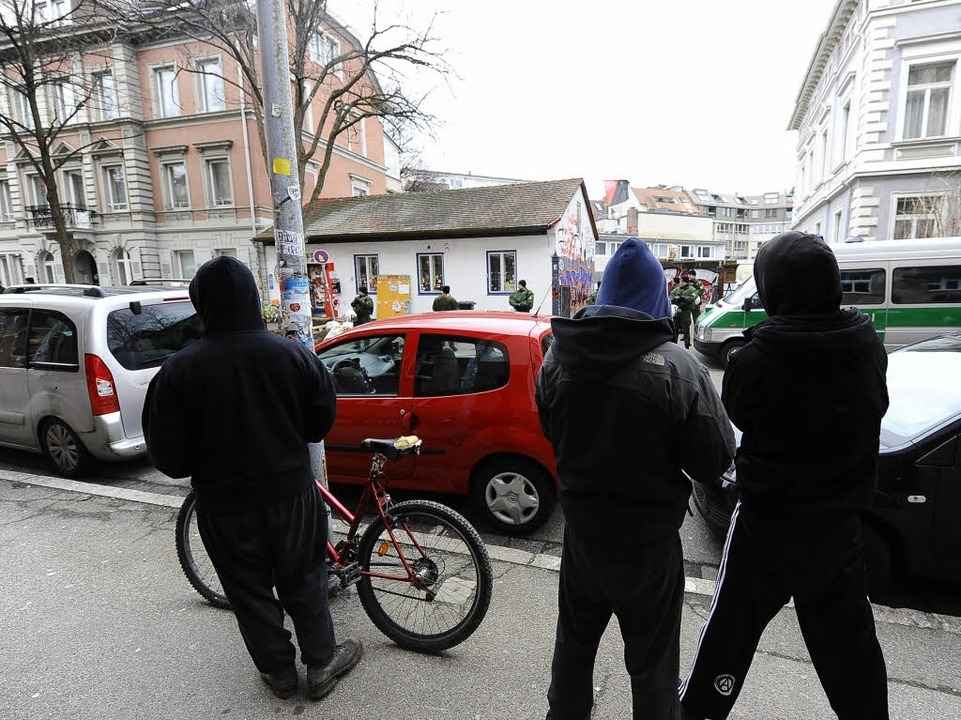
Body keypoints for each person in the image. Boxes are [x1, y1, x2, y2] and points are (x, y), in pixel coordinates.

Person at [680, 232, 890, 720]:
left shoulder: (753, 359)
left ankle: (700, 712)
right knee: (850, 645)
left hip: (766, 524)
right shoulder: (866, 346)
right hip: (837, 524)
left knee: (730, 631)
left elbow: (739, 413)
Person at [142, 256, 362, 701]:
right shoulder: (293, 356)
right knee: (306, 579)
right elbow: (319, 423)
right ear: (252, 298)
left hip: (223, 504)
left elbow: (168, 456)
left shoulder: (177, 372)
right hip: (291, 493)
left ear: (201, 304)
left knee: (248, 590)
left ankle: (278, 672)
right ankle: (321, 663)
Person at [536, 239, 735, 720]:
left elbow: (550, 426)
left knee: (573, 650)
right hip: (649, 547)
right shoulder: (678, 367)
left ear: (606, 292)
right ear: (656, 297)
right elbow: (715, 460)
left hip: (583, 538)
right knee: (653, 668)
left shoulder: (558, 357)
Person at [670, 272, 699, 349]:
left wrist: (682, 298)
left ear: (685, 282)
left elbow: (692, 298)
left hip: (685, 312)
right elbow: (671, 297)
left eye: (681, 281)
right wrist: (677, 299)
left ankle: (687, 346)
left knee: (686, 330)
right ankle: (674, 345)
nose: (680, 283)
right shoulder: (677, 289)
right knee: (675, 329)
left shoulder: (692, 289)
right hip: (677, 312)